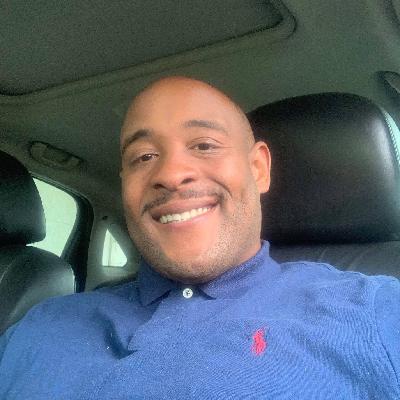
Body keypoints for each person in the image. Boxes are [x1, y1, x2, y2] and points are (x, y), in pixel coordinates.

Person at [0, 76, 399, 399]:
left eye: (204, 145)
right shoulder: (39, 326)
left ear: (258, 169)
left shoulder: (374, 313)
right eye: (143, 157)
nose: (171, 174)